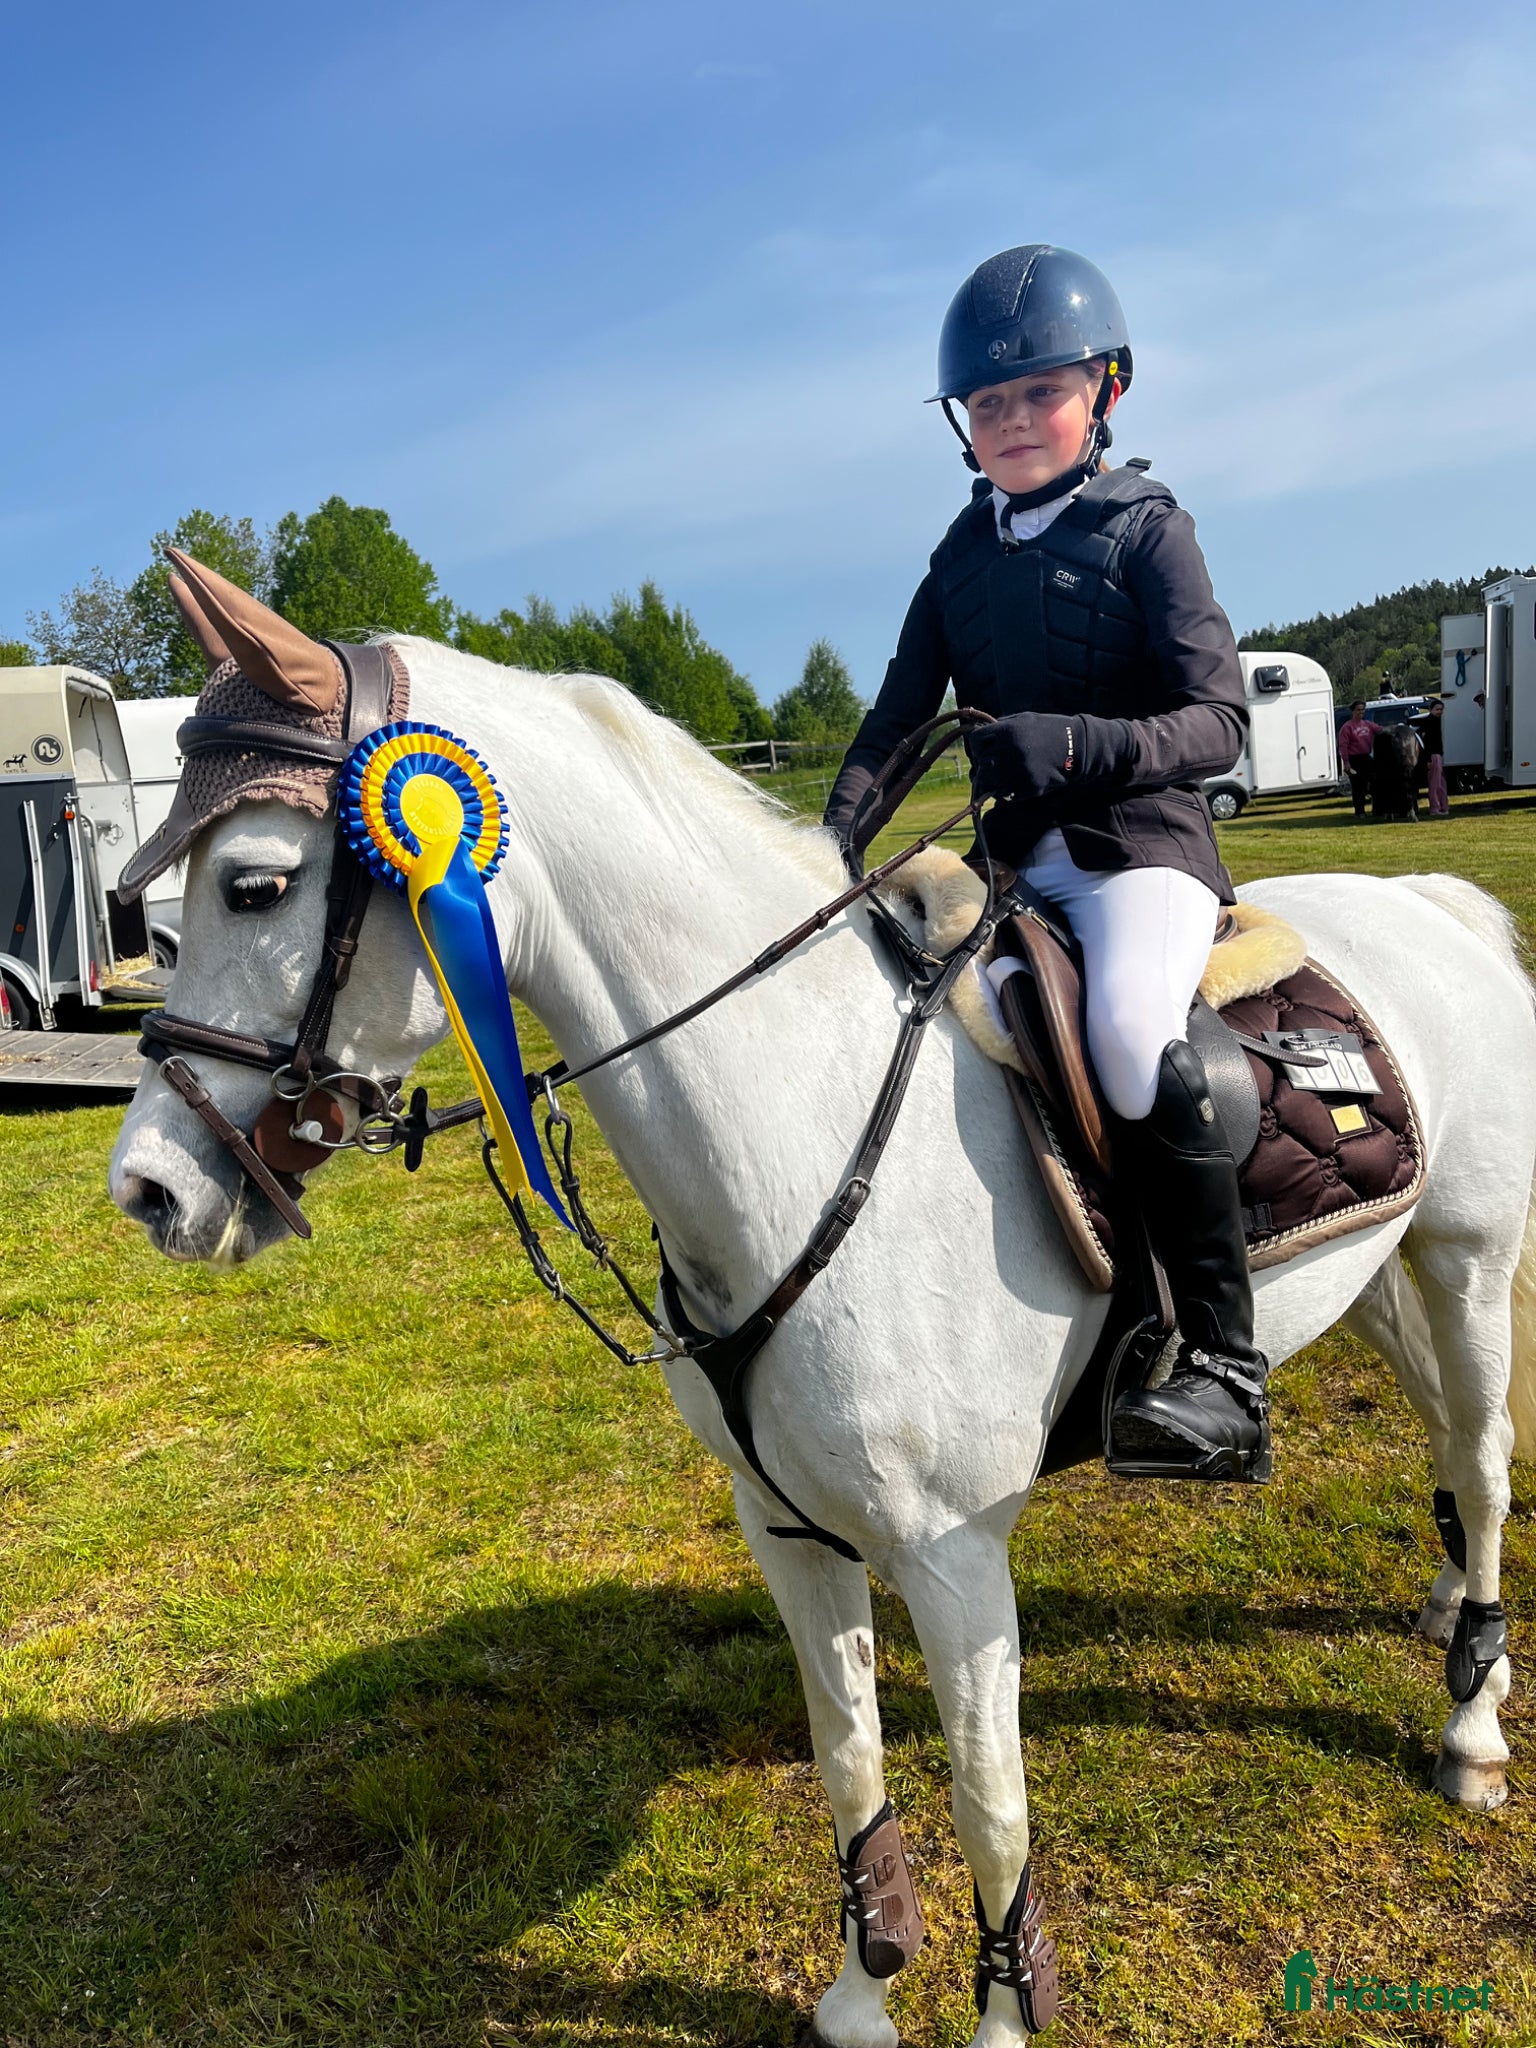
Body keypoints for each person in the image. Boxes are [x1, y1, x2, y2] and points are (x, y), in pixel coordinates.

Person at [824, 244, 1269, 1483]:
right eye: (990, 402)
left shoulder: (1148, 531)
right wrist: (831, 833)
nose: (1015, 419)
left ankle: (1227, 1368)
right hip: (1013, 868)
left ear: (1103, 392)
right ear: (964, 425)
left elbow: (1220, 722)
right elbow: (896, 723)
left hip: (1141, 853)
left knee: (1130, 1034)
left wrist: (1079, 742)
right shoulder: (958, 561)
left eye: (1041, 393)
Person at [1338, 700, 1375, 818]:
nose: (1360, 712)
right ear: (1353, 711)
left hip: (1366, 758)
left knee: (1372, 783)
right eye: (1358, 710)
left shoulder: (1368, 725)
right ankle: (1359, 811)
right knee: (1358, 786)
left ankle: (1376, 809)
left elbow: (1380, 729)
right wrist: (1346, 763)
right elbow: (1343, 746)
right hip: (1354, 759)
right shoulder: (1347, 727)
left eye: (1362, 710)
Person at [1421, 701, 1449, 817]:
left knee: (1441, 783)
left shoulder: (1440, 722)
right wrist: (1427, 758)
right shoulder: (1429, 722)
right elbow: (1426, 743)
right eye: (1437, 709)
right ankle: (1434, 808)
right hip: (1433, 755)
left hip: (1439, 754)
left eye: (1441, 709)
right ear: (1431, 710)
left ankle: (1443, 806)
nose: (1439, 712)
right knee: (1435, 783)